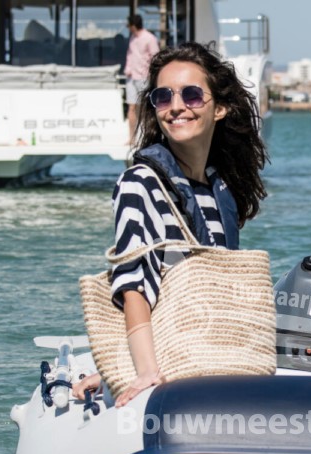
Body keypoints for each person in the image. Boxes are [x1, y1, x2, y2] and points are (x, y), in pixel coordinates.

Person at [74, 42, 268, 406]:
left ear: (220, 108)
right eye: (163, 97)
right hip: (168, 365)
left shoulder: (221, 188)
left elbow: (217, 290)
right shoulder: (139, 182)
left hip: (211, 354)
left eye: (191, 95)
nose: (176, 106)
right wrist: (144, 370)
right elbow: (134, 282)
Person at [124, 14, 161, 144]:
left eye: (128, 25)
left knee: (146, 108)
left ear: (133, 26)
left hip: (144, 77)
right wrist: (127, 68)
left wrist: (152, 74)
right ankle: (132, 138)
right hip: (131, 77)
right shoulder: (132, 38)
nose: (127, 28)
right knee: (132, 107)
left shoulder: (150, 38)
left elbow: (155, 57)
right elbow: (130, 55)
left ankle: (148, 137)